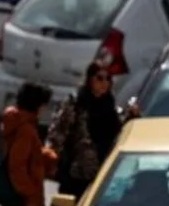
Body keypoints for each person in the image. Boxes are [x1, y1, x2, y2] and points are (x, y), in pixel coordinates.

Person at [46, 63, 127, 198]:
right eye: (100, 78)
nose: (104, 83)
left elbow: (117, 130)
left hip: (103, 172)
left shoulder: (109, 104)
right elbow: (58, 133)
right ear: (90, 79)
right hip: (78, 172)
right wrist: (54, 162)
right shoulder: (76, 102)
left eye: (108, 79)